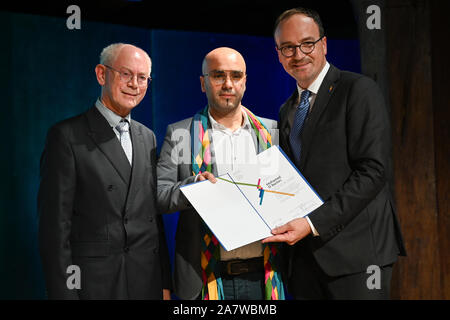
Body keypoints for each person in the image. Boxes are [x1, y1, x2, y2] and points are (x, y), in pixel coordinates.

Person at [262, 8, 406, 299]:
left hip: (358, 257)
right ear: (278, 54)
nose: (298, 54)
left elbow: (373, 171)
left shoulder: (359, 90)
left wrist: (312, 223)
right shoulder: (286, 109)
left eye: (307, 43)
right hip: (303, 260)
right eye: (288, 47)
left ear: (324, 45)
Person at [38, 43, 171, 299]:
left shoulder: (148, 137)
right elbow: (55, 230)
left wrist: (164, 282)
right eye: (126, 74)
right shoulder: (66, 136)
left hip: (146, 282)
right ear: (101, 74)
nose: (134, 83)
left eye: (142, 77)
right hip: (95, 285)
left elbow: (152, 218)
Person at [157, 47, 284, 300]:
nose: (228, 84)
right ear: (203, 83)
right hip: (207, 277)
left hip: (265, 276)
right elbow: (160, 196)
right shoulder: (181, 133)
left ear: (245, 82)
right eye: (218, 76)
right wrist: (194, 186)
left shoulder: (271, 130)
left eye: (236, 76)